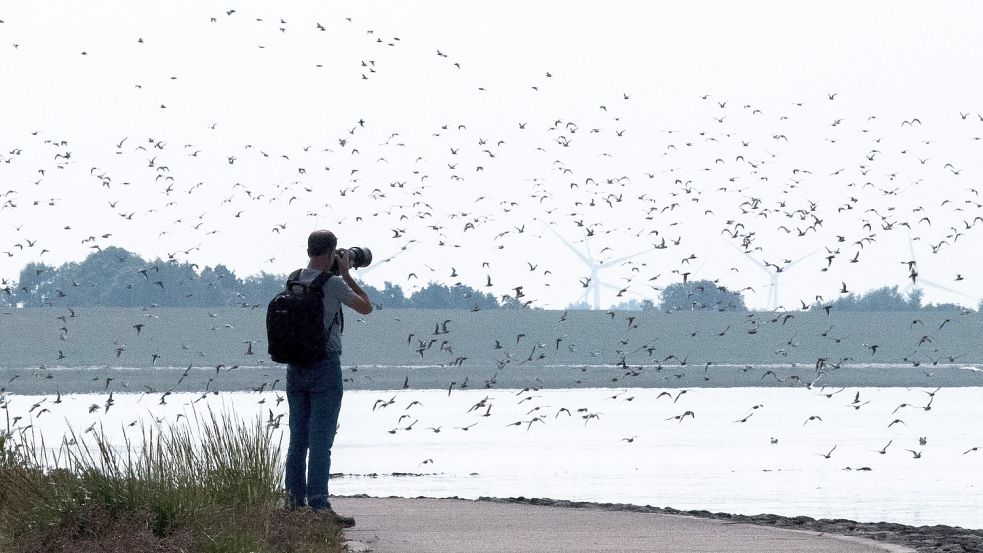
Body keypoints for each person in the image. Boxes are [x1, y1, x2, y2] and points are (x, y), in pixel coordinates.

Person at [284, 230, 372, 527]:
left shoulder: (293, 278)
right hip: (324, 366)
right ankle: (319, 507)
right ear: (332, 252)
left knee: (298, 440)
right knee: (321, 441)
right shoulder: (333, 283)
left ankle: (294, 505)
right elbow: (366, 306)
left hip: (295, 367)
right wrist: (346, 273)